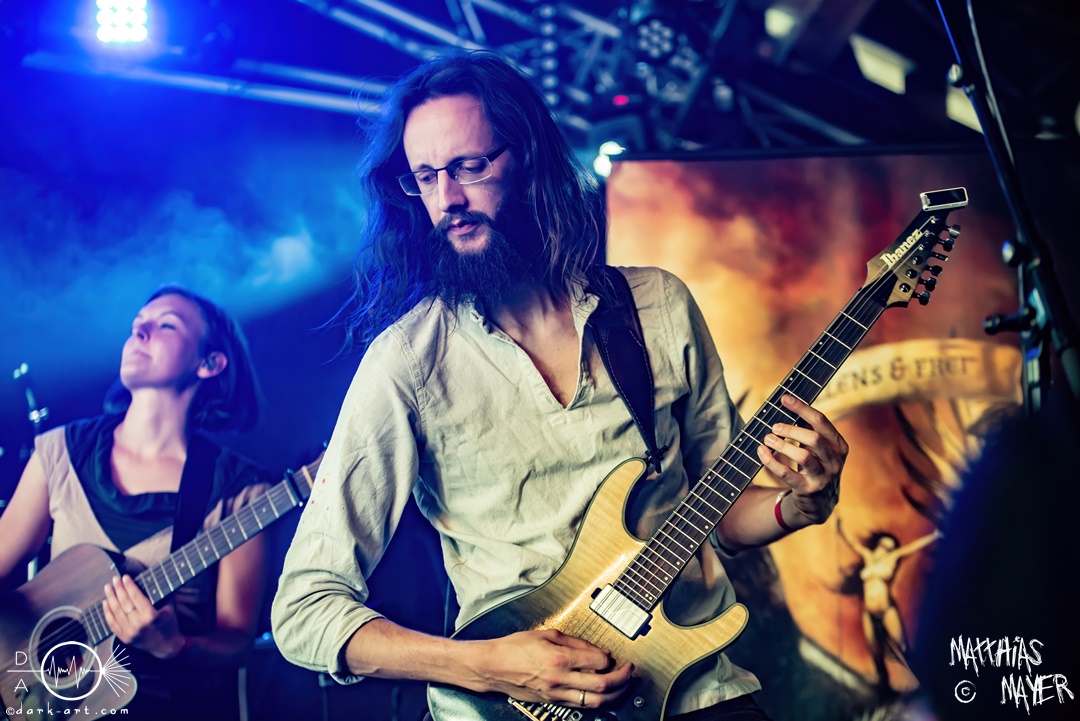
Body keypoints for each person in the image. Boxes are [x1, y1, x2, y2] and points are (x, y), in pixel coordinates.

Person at [271, 51, 848, 720]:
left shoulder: (656, 307)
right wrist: (485, 664)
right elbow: (305, 608)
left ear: (528, 160)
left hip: (690, 688)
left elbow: (718, 517)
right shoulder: (407, 362)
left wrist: (804, 500)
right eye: (426, 177)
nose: (448, 200)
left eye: (469, 166)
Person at [0, 286, 271, 720]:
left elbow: (237, 641)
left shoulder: (242, 491)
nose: (140, 331)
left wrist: (174, 645)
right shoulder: (59, 452)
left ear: (209, 363)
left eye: (166, 325)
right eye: (136, 324)